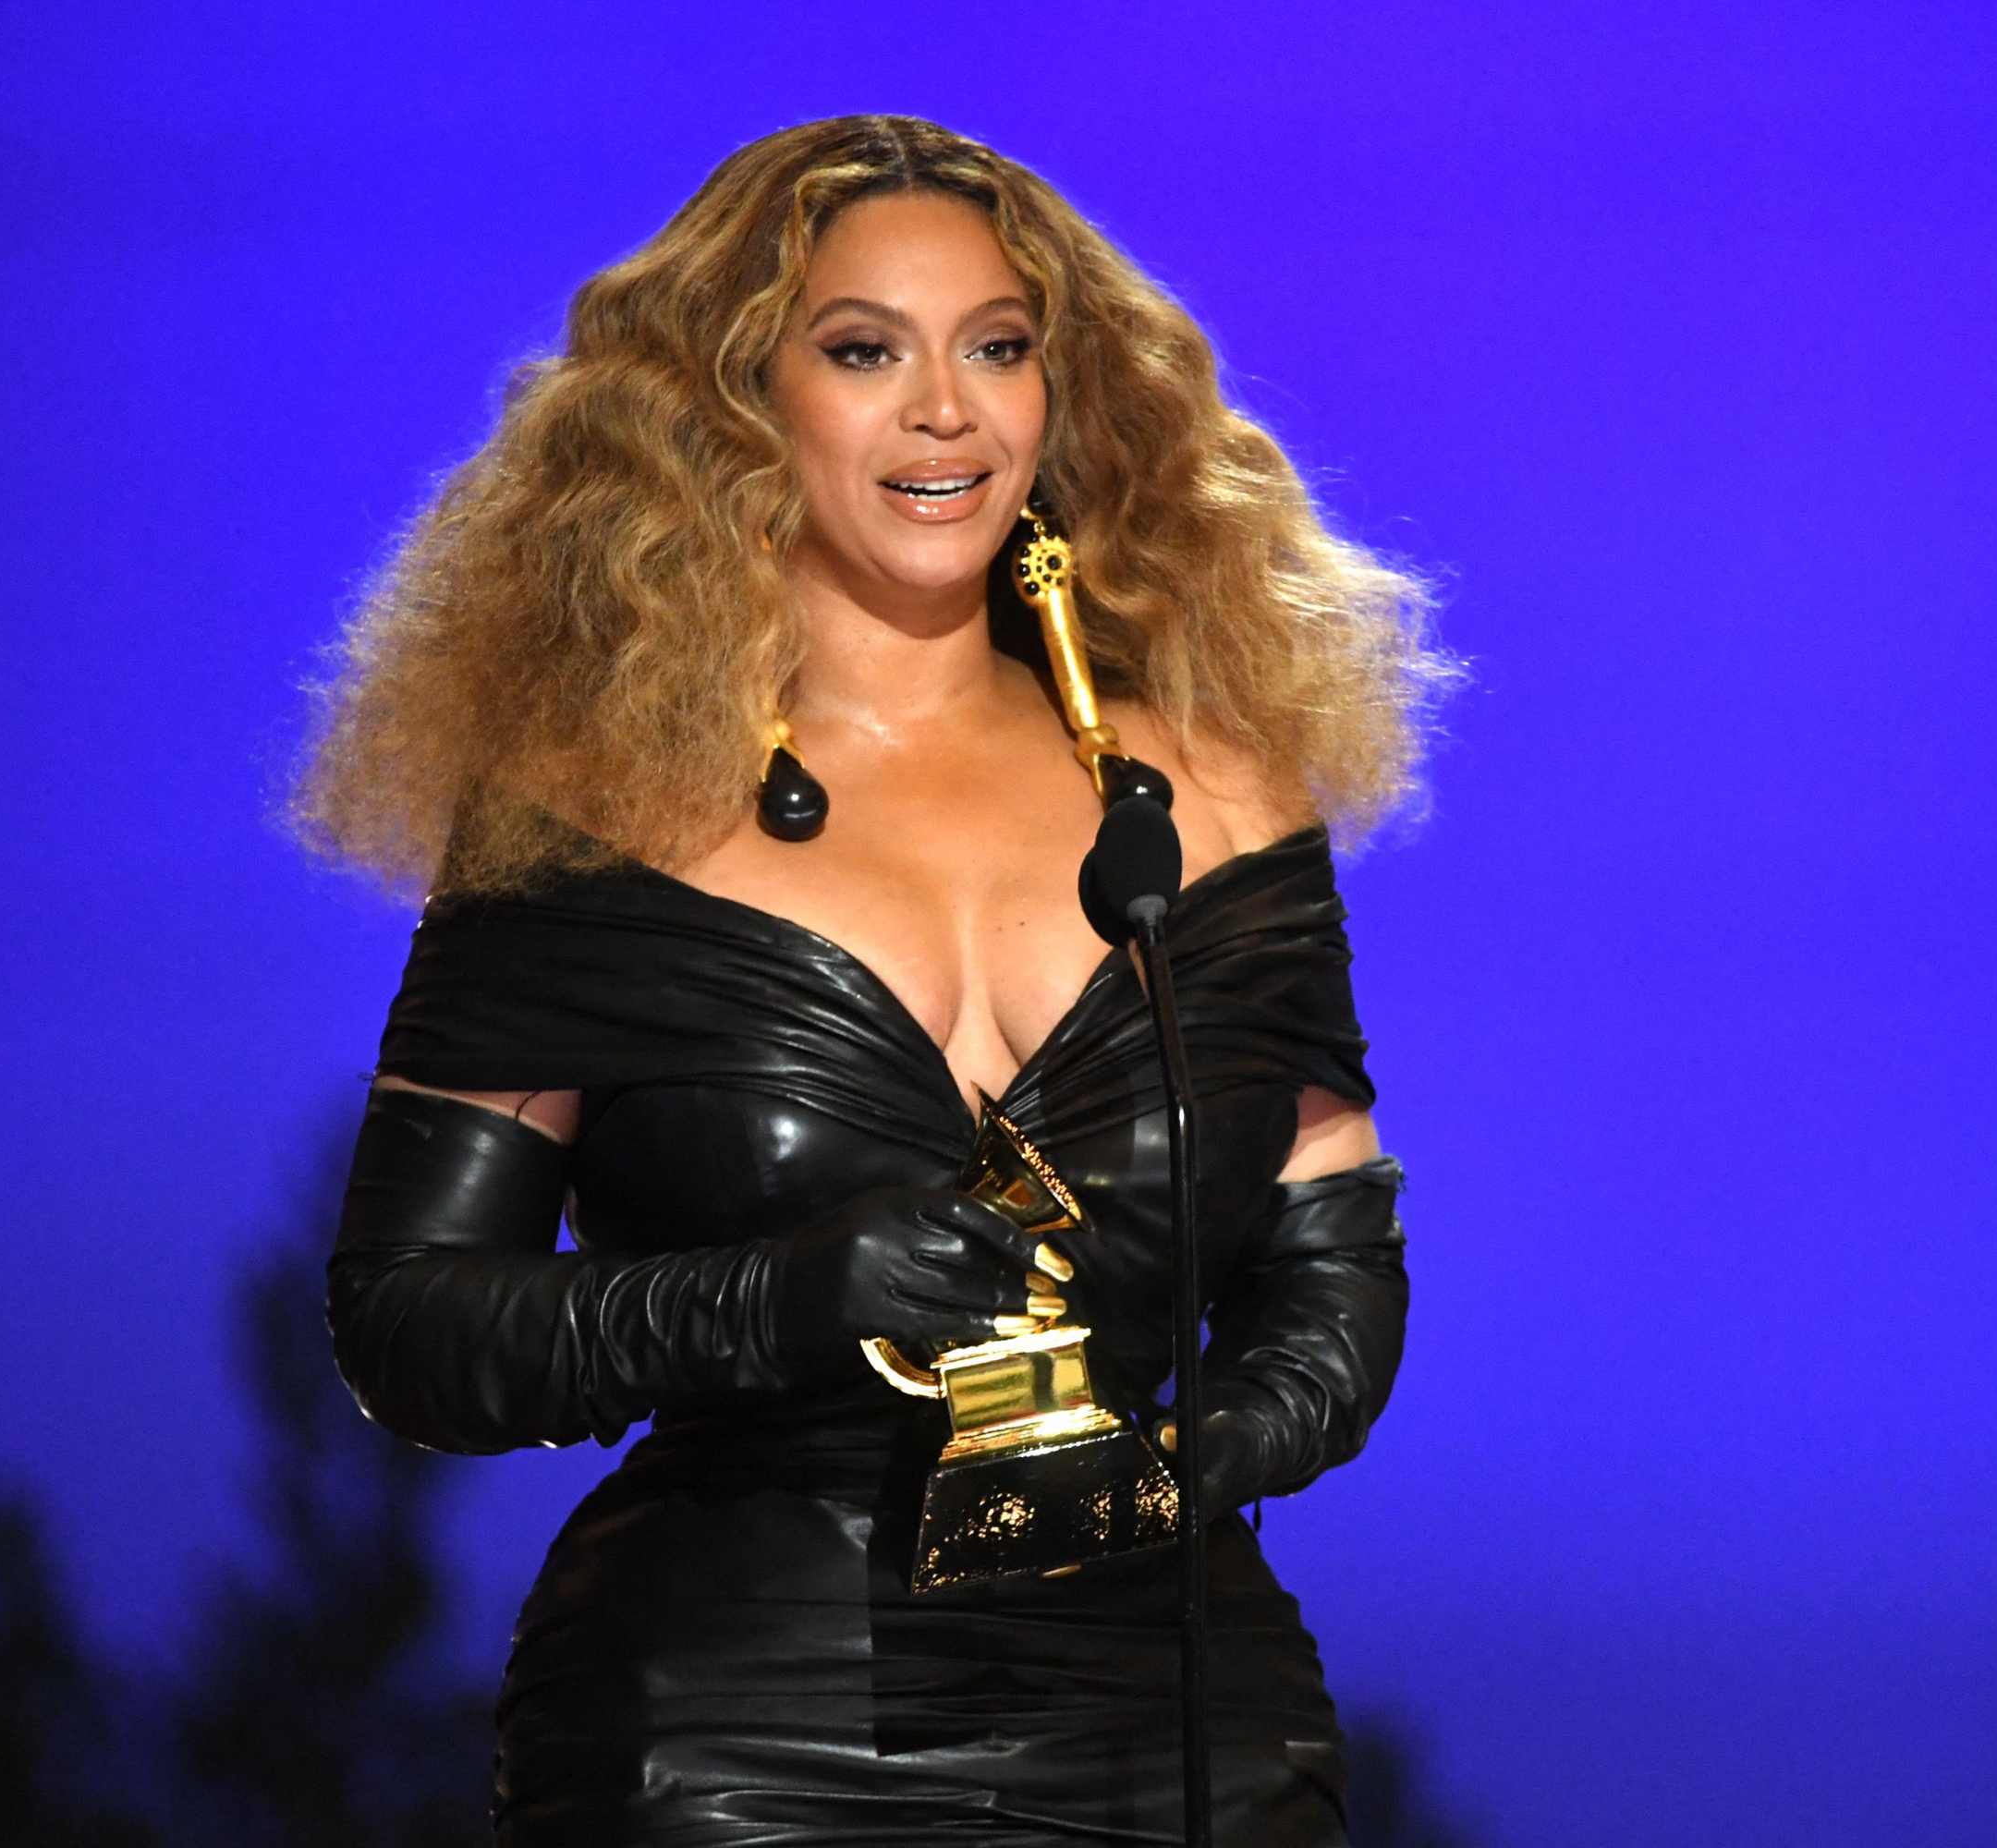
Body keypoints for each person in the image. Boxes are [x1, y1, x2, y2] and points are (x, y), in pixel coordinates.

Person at [298, 115, 1446, 1847]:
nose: (946, 410)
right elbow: (411, 1323)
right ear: (735, 407)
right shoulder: (591, 813)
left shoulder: (1219, 794)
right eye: (863, 351)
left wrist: (1200, 1457)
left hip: (1177, 1730)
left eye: (998, 347)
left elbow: (1332, 1270)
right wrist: (781, 1295)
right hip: (734, 1730)